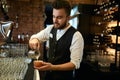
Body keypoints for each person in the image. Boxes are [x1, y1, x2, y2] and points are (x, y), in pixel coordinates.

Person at [29, 0, 84, 80]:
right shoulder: (51, 28)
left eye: (59, 17)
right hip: (48, 77)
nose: (55, 20)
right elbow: (35, 37)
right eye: (54, 16)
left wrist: (53, 67)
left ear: (68, 18)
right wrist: (34, 40)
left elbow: (74, 64)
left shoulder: (76, 36)